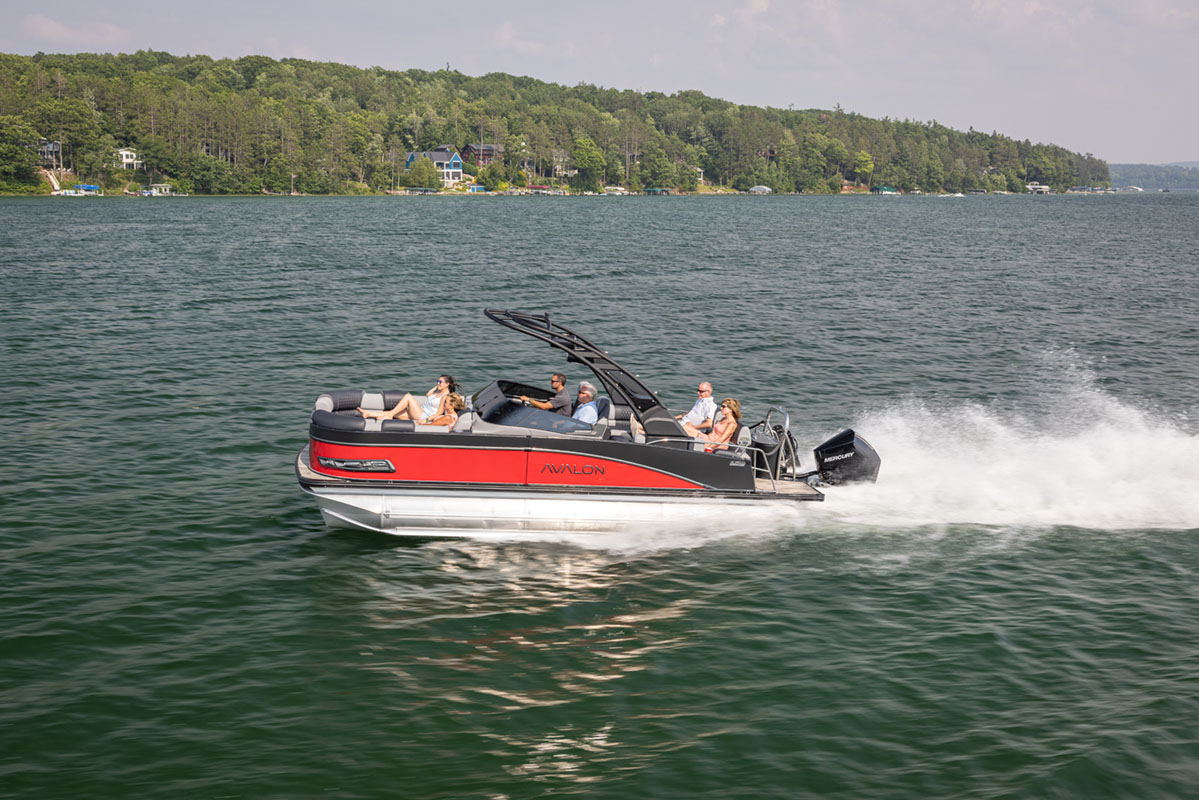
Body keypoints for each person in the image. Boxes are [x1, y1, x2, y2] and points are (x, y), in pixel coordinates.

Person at [359, 374, 458, 421]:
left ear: (447, 384)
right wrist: (437, 387)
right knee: (394, 412)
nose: (438, 383)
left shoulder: (446, 396)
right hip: (420, 412)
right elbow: (428, 394)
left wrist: (426, 420)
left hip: (424, 415)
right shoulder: (437, 394)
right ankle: (368, 414)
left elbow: (439, 413)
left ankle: (389, 416)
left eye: (440, 382)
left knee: (408, 397)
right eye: (437, 381)